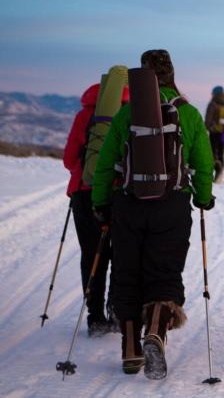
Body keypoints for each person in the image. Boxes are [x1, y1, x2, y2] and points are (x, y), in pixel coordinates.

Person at [91, 49, 215, 378]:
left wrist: (101, 203)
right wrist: (204, 198)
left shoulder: (127, 113)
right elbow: (204, 163)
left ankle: (131, 350)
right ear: (172, 74)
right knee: (165, 271)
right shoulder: (187, 114)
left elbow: (105, 165)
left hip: (129, 204)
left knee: (127, 273)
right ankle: (156, 333)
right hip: (171, 205)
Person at [63, 81, 129, 336]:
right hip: (118, 194)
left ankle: (95, 317)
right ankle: (116, 309)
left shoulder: (85, 115)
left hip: (84, 194)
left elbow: (69, 158)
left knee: (92, 256)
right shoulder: (130, 114)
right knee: (121, 254)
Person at [205, 85, 224, 183]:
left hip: (214, 133)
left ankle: (214, 173)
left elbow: (208, 121)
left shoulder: (213, 104)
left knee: (212, 154)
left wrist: (207, 128)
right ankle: (220, 174)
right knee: (221, 155)